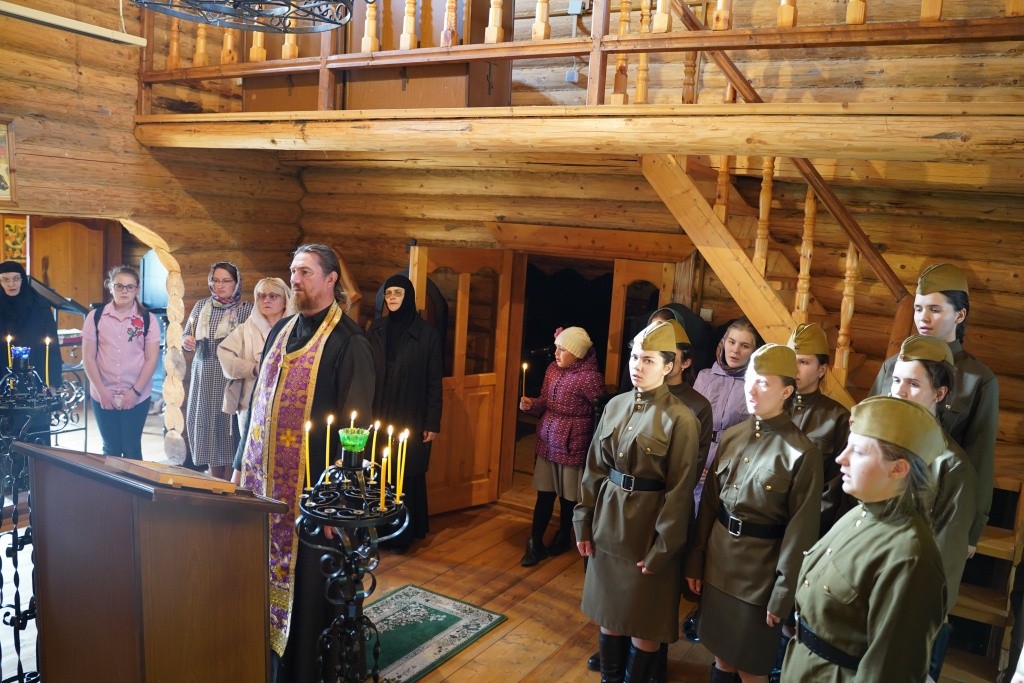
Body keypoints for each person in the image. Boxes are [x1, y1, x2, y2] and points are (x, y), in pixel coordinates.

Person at [235, 244, 375, 683]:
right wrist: (240, 461)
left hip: (313, 499)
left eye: (306, 272)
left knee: (311, 594)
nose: (295, 280)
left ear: (331, 279)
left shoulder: (350, 343)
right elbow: (259, 406)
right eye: (293, 271)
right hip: (263, 488)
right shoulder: (281, 331)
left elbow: (356, 429)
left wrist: (337, 503)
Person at [780, 397, 947, 681]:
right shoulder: (860, 513)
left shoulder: (910, 557)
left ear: (898, 469)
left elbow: (890, 672)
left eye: (857, 451)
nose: (840, 458)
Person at [686, 344, 822, 683]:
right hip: (719, 564)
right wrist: (696, 559)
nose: (751, 388)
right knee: (721, 655)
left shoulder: (801, 452)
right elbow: (710, 507)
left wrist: (783, 592)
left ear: (787, 391)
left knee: (751, 667)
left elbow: (800, 533)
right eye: (749, 378)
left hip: (759, 577)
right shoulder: (732, 437)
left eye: (763, 381)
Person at [574, 320, 700, 683]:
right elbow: (594, 469)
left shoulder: (681, 419)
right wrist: (583, 521)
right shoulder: (615, 405)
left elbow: (679, 492)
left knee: (644, 625)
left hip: (647, 532)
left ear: (668, 366)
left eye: (648, 360)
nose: (637, 366)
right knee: (610, 617)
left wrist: (663, 548)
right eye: (634, 357)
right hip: (608, 524)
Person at [869, 263, 998, 558]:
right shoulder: (893, 366)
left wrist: (972, 529)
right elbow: (869, 432)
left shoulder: (979, 379)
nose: (923, 318)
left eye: (935, 310)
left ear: (960, 315)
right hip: (882, 496)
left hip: (935, 508)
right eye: (918, 308)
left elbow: (979, 457)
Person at [888, 334, 976, 680]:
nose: (899, 391)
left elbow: (942, 566)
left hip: (904, 607)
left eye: (912, 384)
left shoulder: (952, 467)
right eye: (896, 380)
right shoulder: (875, 446)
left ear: (939, 394)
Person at [684, 316, 763, 642]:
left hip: (729, 470)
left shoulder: (754, 384)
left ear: (753, 351)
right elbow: (690, 422)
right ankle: (686, 593)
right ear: (722, 343)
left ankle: (706, 608)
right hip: (697, 464)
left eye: (744, 345)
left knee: (713, 539)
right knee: (689, 530)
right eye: (731, 342)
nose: (735, 350)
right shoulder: (704, 376)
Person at [367, 274, 443, 553]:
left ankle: (402, 535)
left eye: (398, 293)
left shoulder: (427, 335)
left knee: (405, 472)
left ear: (408, 296)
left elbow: (434, 382)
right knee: (376, 469)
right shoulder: (376, 328)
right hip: (379, 412)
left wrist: (432, 422)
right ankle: (375, 530)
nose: (392, 298)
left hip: (410, 412)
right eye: (388, 294)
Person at [518, 326, 605, 567]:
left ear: (577, 353)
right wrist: (532, 405)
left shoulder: (590, 378)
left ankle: (564, 534)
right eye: (556, 347)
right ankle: (535, 541)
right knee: (544, 493)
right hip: (548, 441)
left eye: (562, 349)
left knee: (569, 497)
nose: (556, 353)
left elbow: (601, 412)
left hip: (572, 444)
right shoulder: (552, 370)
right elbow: (546, 401)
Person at [183, 261, 252, 480]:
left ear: (236, 282)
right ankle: (214, 479)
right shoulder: (201, 306)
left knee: (228, 427)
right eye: (216, 280)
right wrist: (187, 341)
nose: (220, 285)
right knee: (207, 423)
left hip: (230, 377)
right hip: (204, 373)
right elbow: (186, 334)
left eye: (226, 281)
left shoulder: (246, 310)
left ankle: (230, 482)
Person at [82, 266, 161, 459]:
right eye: (119, 286)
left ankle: (134, 482)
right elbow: (88, 357)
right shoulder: (95, 317)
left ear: (137, 289)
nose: (124, 291)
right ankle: (110, 482)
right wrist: (101, 391)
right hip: (103, 391)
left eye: (129, 287)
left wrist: (135, 392)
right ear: (110, 287)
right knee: (111, 448)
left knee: (132, 447)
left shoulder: (148, 320)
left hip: (137, 393)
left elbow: (151, 359)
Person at [786, 323, 851, 537]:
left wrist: (804, 531)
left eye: (803, 362)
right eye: (791, 360)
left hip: (807, 528)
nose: (794, 369)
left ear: (821, 370)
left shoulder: (838, 418)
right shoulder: (770, 405)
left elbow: (834, 489)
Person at [218, 277, 293, 437]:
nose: (266, 300)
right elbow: (224, 353)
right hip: (250, 400)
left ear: (285, 301)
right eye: (261, 296)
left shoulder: (295, 328)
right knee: (250, 445)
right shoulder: (245, 329)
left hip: (286, 400)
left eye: (273, 296)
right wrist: (253, 368)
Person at [0, 261, 63, 444]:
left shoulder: (40, 307)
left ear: (23, 280)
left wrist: (52, 383)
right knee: (6, 436)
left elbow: (52, 348)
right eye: (5, 280)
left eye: (15, 279)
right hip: (4, 381)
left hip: (36, 382)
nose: (11, 284)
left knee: (36, 436)